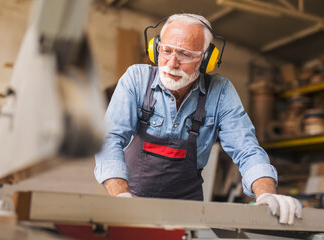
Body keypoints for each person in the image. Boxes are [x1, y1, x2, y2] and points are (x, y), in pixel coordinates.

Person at [95, 13, 302, 225]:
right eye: (166, 51)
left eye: (185, 54)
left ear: (206, 59)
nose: (172, 63)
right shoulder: (136, 79)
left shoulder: (220, 92)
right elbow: (110, 139)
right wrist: (122, 198)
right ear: (155, 47)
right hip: (131, 201)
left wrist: (266, 194)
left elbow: (246, 149)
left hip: (189, 211)